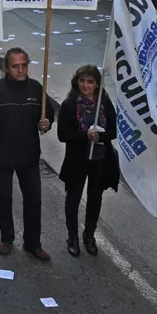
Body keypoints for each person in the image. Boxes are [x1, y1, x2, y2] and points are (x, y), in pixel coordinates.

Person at [0, 48, 55, 261]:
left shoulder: (36, 88)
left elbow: (47, 116)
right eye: (15, 66)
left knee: (33, 200)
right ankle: (7, 238)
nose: (20, 70)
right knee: (4, 198)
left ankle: (33, 243)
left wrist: (46, 121)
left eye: (24, 65)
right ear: (6, 68)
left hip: (28, 156)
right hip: (1, 155)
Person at [56, 65, 119, 258]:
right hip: (78, 159)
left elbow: (114, 132)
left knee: (95, 199)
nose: (85, 85)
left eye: (90, 81)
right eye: (82, 80)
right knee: (73, 198)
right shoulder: (70, 104)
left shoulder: (105, 103)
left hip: (100, 160)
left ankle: (89, 234)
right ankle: (72, 236)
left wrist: (99, 137)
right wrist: (85, 135)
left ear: (97, 84)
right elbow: (63, 135)